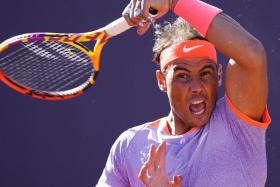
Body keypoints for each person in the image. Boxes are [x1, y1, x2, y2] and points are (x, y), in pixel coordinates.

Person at [96, 0, 271, 186]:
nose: (196, 86)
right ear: (162, 81)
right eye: (183, 76)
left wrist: (173, 2)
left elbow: (252, 53)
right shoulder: (129, 146)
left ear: (218, 75)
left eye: (205, 73)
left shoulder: (237, 126)